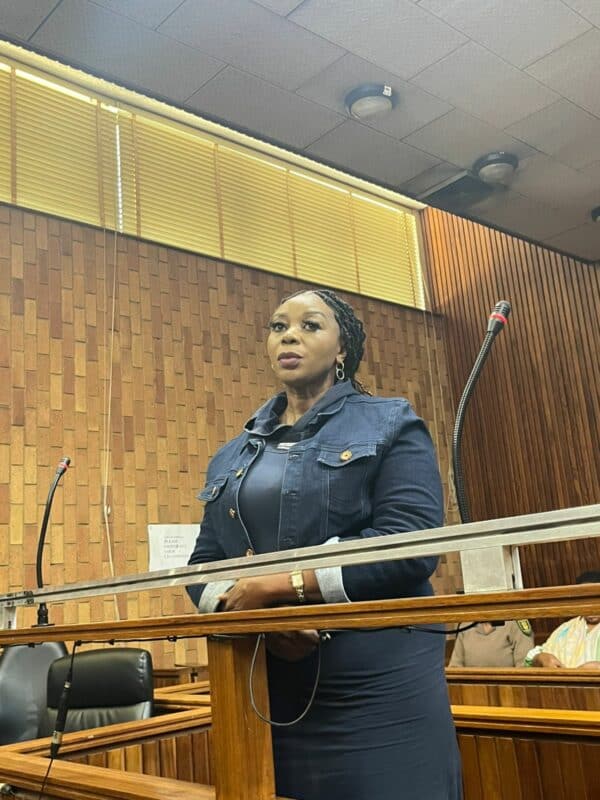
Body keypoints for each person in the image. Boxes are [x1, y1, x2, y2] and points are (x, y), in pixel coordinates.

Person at [187, 288, 462, 800]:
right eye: (278, 327)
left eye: (310, 325)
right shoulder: (231, 456)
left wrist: (279, 587)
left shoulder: (391, 422)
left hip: (377, 683)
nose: (289, 336)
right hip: (268, 685)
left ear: (343, 349)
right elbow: (202, 565)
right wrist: (253, 615)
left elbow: (410, 543)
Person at [524, 571, 600, 668]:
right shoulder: (567, 628)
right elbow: (531, 659)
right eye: (585, 599)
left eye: (595, 598)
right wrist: (541, 658)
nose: (590, 605)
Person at [448, 620, 533, 667]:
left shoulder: (514, 623)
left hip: (509, 691)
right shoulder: (465, 626)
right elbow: (455, 667)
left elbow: (525, 668)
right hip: (471, 690)